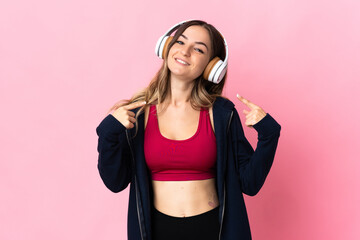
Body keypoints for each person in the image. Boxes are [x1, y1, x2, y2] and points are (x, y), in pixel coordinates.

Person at [96, 20, 281, 240]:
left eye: (199, 49)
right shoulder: (137, 113)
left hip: (210, 229)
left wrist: (269, 134)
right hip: (157, 231)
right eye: (180, 42)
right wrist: (108, 133)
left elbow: (249, 184)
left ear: (212, 67)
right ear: (166, 47)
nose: (185, 51)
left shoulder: (222, 114)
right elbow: (115, 182)